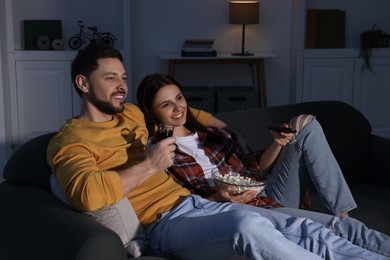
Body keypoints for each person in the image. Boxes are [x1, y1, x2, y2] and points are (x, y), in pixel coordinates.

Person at [47, 43, 389, 260]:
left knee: (309, 228)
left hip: (195, 205)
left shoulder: (134, 113)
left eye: (123, 77)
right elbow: (87, 195)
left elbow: (194, 115)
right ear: (83, 83)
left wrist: (230, 132)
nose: (121, 85)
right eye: (110, 78)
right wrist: (151, 165)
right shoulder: (70, 141)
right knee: (248, 224)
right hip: (162, 225)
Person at [136, 72, 390, 257]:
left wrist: (278, 143)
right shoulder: (159, 152)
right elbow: (187, 206)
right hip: (233, 211)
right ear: (152, 110)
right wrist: (221, 198)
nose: (177, 107)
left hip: (265, 195)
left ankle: (342, 212)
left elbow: (254, 169)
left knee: (306, 123)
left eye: (179, 98)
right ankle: (340, 225)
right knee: (333, 232)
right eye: (166, 104)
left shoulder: (211, 134)